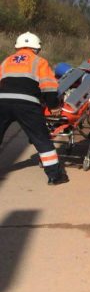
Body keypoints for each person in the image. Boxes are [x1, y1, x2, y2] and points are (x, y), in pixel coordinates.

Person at [0, 32, 68, 185]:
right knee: (41, 139)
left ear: (18, 47)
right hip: (27, 105)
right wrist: (54, 106)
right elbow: (49, 88)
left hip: (2, 102)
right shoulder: (39, 62)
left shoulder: (6, 61)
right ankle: (55, 176)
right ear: (36, 48)